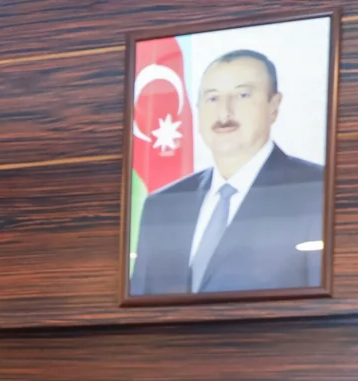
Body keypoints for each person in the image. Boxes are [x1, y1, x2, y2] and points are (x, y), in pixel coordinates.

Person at [130, 49, 325, 296]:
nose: (224, 113)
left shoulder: (318, 191)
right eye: (212, 98)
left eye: (242, 95)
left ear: (274, 106)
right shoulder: (162, 205)